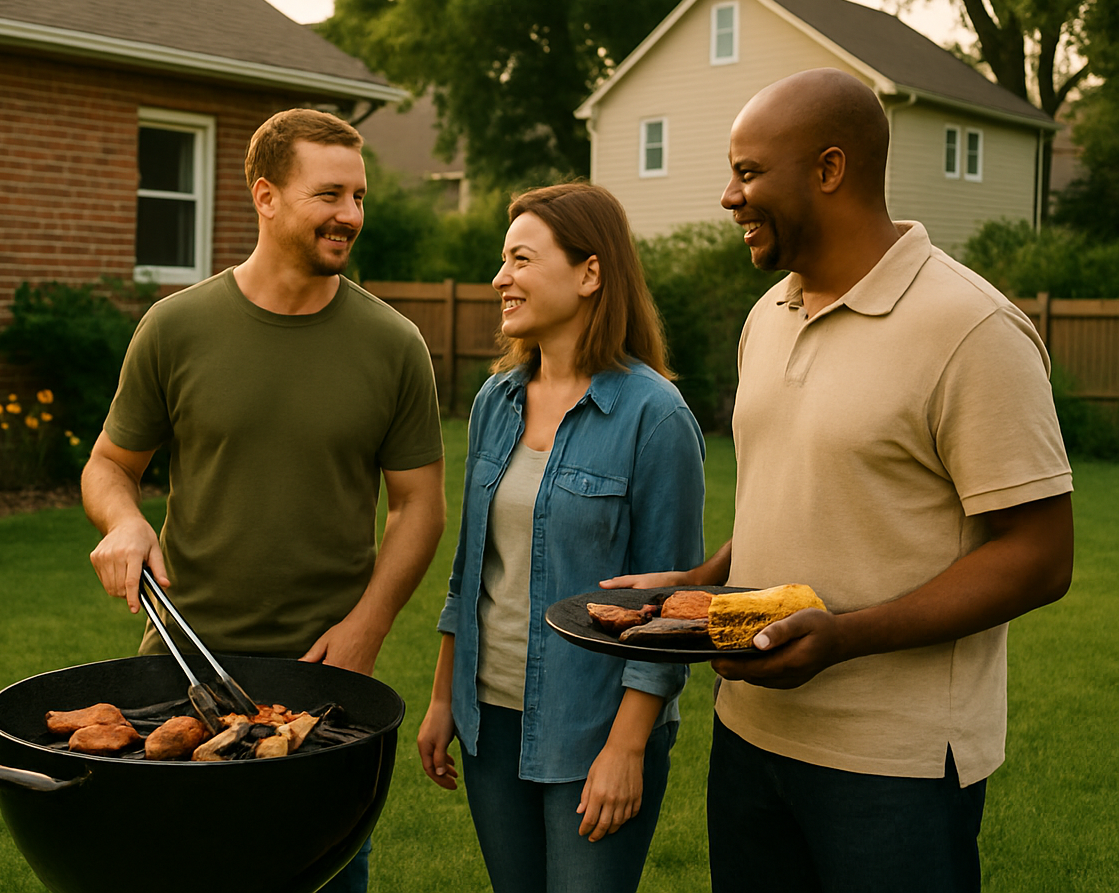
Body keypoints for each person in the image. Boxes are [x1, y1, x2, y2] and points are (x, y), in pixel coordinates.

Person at [605, 68, 1074, 892]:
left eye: (749, 173)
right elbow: (795, 498)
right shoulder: (768, 316)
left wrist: (844, 636)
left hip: (895, 765)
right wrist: (696, 581)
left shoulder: (971, 329)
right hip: (750, 735)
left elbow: (1039, 555)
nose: (728, 197)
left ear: (828, 170)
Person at [82, 107, 446, 892]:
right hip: (183, 665)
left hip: (326, 682)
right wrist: (124, 521)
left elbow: (420, 507)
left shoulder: (394, 345)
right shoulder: (175, 328)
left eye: (358, 197)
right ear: (266, 196)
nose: (349, 215)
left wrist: (366, 629)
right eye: (329, 195)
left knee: (326, 873)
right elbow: (110, 464)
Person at [417, 183, 706, 892]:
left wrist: (627, 747)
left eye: (521, 259)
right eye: (502, 261)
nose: (500, 280)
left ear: (589, 272)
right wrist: (443, 697)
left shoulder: (655, 416)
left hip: (594, 729)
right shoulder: (496, 400)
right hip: (490, 719)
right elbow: (471, 568)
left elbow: (669, 609)